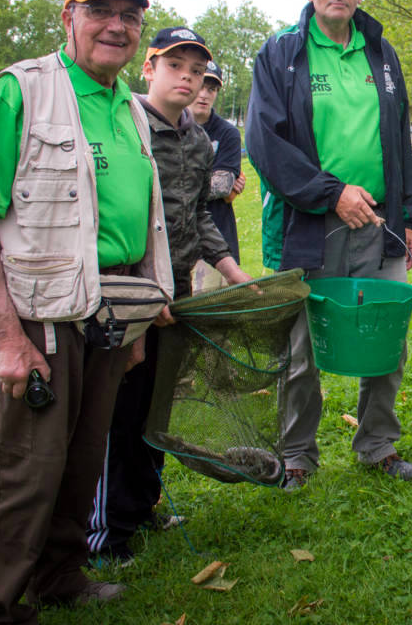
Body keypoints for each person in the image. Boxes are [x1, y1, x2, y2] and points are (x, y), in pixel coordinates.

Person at [0, 0, 174, 623]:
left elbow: (138, 222)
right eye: (101, 10)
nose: (117, 26)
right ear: (68, 16)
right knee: (31, 468)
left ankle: (59, 577)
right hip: (40, 317)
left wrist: (137, 318)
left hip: (110, 315)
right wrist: (8, 339)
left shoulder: (130, 106)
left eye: (129, 15)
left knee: (83, 458)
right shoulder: (21, 91)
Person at [246, 0, 412, 489]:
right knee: (304, 346)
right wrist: (330, 194)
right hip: (310, 222)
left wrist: (410, 216)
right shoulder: (282, 53)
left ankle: (378, 444)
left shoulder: (381, 52)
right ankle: (297, 453)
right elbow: (265, 144)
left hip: (378, 221)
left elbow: (397, 141)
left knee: (385, 336)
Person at [87, 28, 252, 564]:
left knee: (156, 406)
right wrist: (144, 290)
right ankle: (107, 533)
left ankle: (144, 505)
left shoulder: (199, 141)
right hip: (131, 293)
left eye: (197, 70)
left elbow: (198, 217)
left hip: (177, 295)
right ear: (149, 69)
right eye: (175, 65)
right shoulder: (124, 127)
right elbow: (112, 218)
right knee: (120, 410)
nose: (188, 77)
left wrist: (232, 271)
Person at [190, 59, 247, 292]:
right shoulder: (169, 126)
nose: (204, 94)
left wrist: (175, 183)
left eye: (211, 89)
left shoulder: (228, 133)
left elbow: (223, 186)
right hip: (174, 242)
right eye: (201, 85)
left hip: (217, 241)